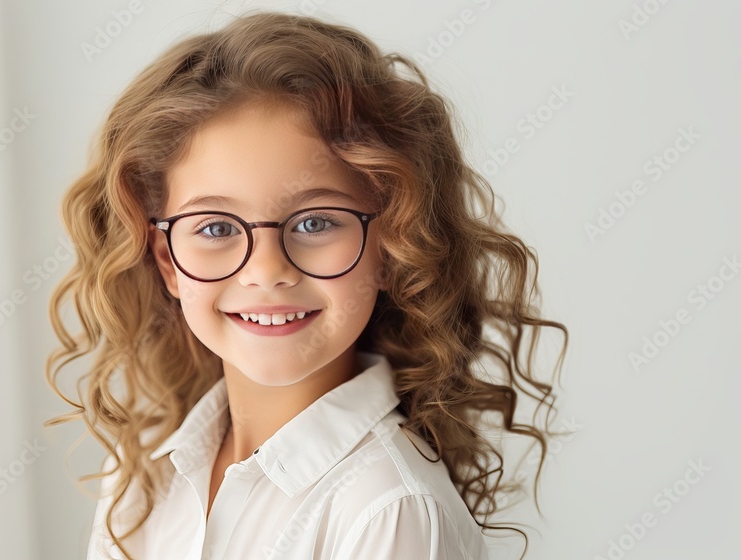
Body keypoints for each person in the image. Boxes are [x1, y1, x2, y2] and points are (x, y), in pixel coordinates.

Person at [45, 9, 569, 560]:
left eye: (316, 222)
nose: (267, 270)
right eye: (217, 228)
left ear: (392, 246)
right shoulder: (142, 475)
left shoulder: (388, 510)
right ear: (167, 261)